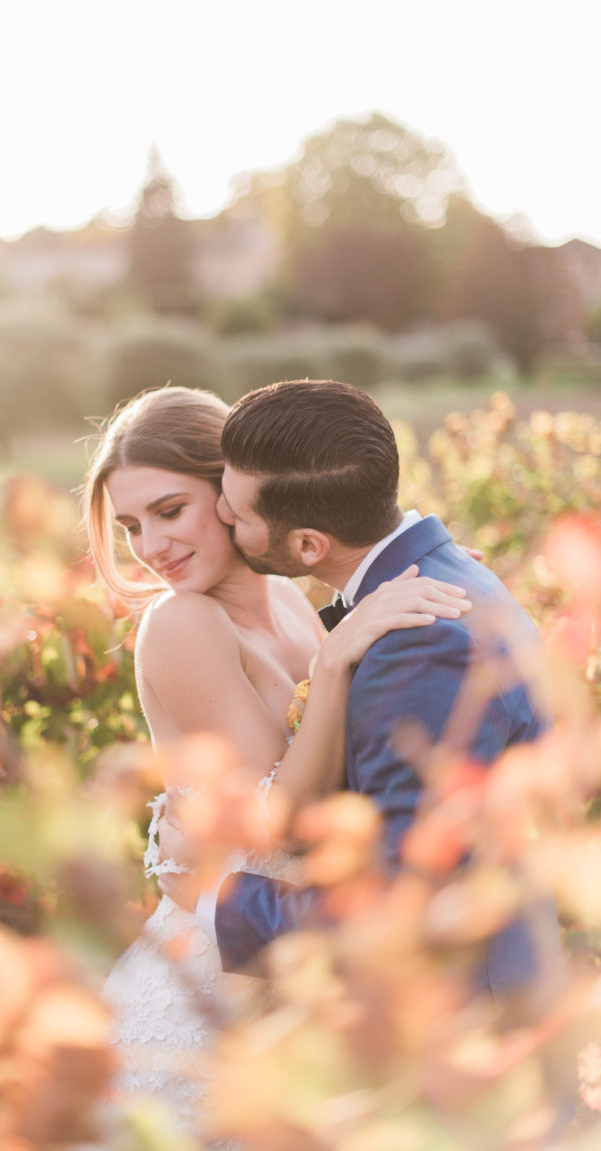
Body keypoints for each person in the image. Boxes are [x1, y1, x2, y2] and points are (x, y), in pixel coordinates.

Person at [158, 377, 569, 1133]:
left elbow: (399, 900)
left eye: (236, 513)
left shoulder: (419, 642)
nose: (220, 515)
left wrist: (214, 901)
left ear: (307, 544)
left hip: (458, 1037)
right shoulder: (443, 578)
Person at [82, 384, 472, 1141]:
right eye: (131, 526)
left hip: (287, 969)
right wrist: (337, 659)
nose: (151, 547)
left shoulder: (291, 601)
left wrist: (412, 606)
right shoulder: (181, 623)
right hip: (209, 994)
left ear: (231, 490)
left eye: (169, 511)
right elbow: (280, 822)